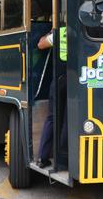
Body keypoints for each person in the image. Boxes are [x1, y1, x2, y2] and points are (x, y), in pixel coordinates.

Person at [36, 28, 68, 169]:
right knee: (69, 117)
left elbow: (40, 44)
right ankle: (66, 155)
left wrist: (48, 33)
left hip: (60, 79)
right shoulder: (89, 29)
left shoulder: (61, 32)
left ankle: (43, 157)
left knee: (53, 118)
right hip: (81, 79)